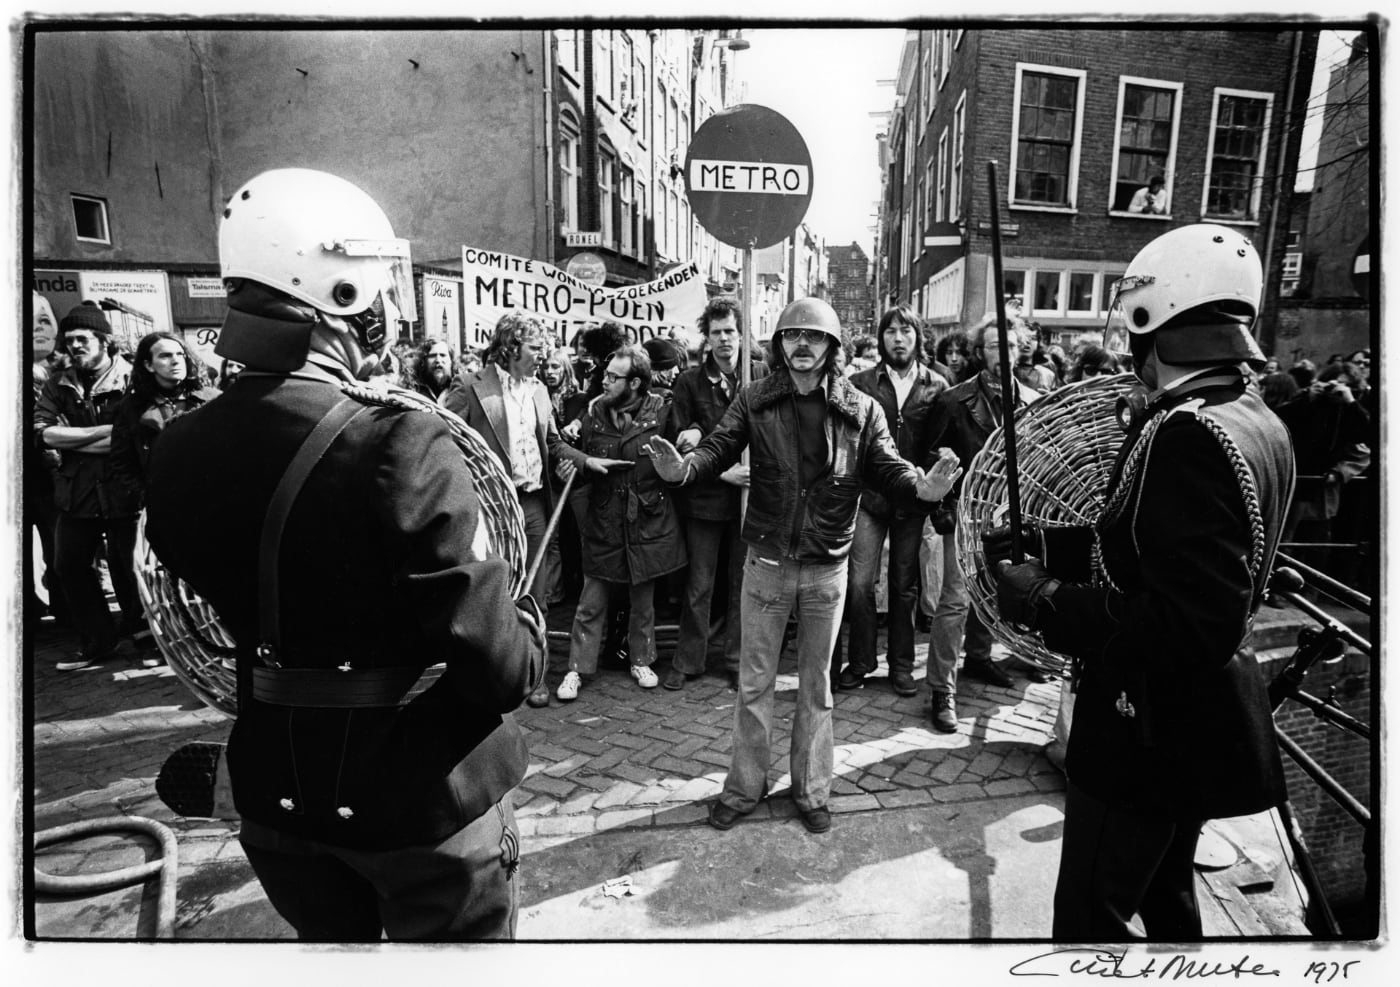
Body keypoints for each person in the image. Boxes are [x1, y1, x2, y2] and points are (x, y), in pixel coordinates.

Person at [143, 168, 546, 941]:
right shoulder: (399, 438)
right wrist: (523, 623)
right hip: (419, 806)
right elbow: (500, 669)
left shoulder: (176, 446)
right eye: (378, 288)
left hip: (276, 800)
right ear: (342, 294)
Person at [990, 223, 1293, 940]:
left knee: (1088, 920)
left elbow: (1184, 618)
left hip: (1145, 730)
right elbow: (1162, 553)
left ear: (1150, 318)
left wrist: (1043, 599)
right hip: (1200, 722)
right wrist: (1049, 549)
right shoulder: (1251, 416)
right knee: (1166, 897)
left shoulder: (1187, 434)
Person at [646, 297, 962, 835]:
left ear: (832, 347)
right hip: (766, 562)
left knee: (816, 687)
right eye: (791, 335)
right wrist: (683, 471)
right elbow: (719, 448)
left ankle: (813, 789)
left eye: (813, 337)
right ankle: (744, 788)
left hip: (826, 569)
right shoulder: (756, 399)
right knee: (754, 686)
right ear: (778, 344)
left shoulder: (861, 410)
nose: (801, 346)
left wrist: (923, 487)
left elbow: (888, 468)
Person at [444, 312, 591, 706]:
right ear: (510, 347)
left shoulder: (541, 390)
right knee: (498, 588)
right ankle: (495, 672)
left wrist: (586, 462)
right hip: (492, 506)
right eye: (534, 346)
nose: (542, 354)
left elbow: (554, 443)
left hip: (534, 502)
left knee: (537, 591)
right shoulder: (471, 387)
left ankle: (533, 674)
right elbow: (446, 437)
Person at [923, 316, 1042, 730]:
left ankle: (978, 657)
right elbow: (929, 459)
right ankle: (942, 687)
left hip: (1008, 518)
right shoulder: (953, 401)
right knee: (956, 598)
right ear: (980, 352)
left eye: (1010, 345)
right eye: (993, 346)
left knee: (994, 592)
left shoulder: (1031, 401)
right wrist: (945, 506)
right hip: (964, 514)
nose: (1002, 354)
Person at [555, 345, 685, 701]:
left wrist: (686, 448)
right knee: (590, 601)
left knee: (643, 600)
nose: (605, 381)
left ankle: (641, 659)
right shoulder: (593, 411)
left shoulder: (662, 410)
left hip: (646, 518)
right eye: (606, 374)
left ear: (637, 383)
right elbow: (564, 449)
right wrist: (580, 462)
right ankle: (577, 668)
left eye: (614, 377)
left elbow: (683, 452)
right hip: (605, 518)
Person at [836, 304, 948, 696]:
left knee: (904, 584)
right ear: (881, 337)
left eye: (906, 331)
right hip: (870, 496)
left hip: (913, 500)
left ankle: (901, 665)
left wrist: (928, 476)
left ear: (918, 337)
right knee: (860, 583)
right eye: (890, 331)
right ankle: (861, 662)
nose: (898, 338)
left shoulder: (937, 384)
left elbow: (939, 442)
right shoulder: (862, 382)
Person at [33, 302, 145, 671]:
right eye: (69, 341)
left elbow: (136, 435)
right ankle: (98, 638)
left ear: (104, 341)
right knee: (68, 565)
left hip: (123, 488)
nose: (75, 346)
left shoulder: (132, 379)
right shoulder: (58, 384)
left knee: (128, 567)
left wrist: (73, 438)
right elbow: (43, 433)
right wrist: (103, 435)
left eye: (83, 339)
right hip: (75, 491)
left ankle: (141, 631)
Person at [665, 296, 766, 692]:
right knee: (700, 581)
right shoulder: (689, 382)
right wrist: (725, 472)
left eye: (731, 331)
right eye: (717, 332)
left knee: (744, 582)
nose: (724, 339)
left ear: (742, 335)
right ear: (706, 337)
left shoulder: (760, 375)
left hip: (749, 502)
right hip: (708, 498)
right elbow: (684, 441)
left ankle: (737, 660)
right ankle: (688, 659)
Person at [110, 332, 221, 501]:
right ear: (148, 365)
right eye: (165, 356)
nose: (176, 361)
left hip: (209, 498)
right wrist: (145, 497)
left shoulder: (213, 400)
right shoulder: (132, 406)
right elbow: (122, 462)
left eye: (180, 354)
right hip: (159, 500)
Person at [406, 337, 455, 405]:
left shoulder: (459, 388)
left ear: (451, 361)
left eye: (443, 355)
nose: (438, 360)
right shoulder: (413, 389)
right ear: (423, 361)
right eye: (432, 356)